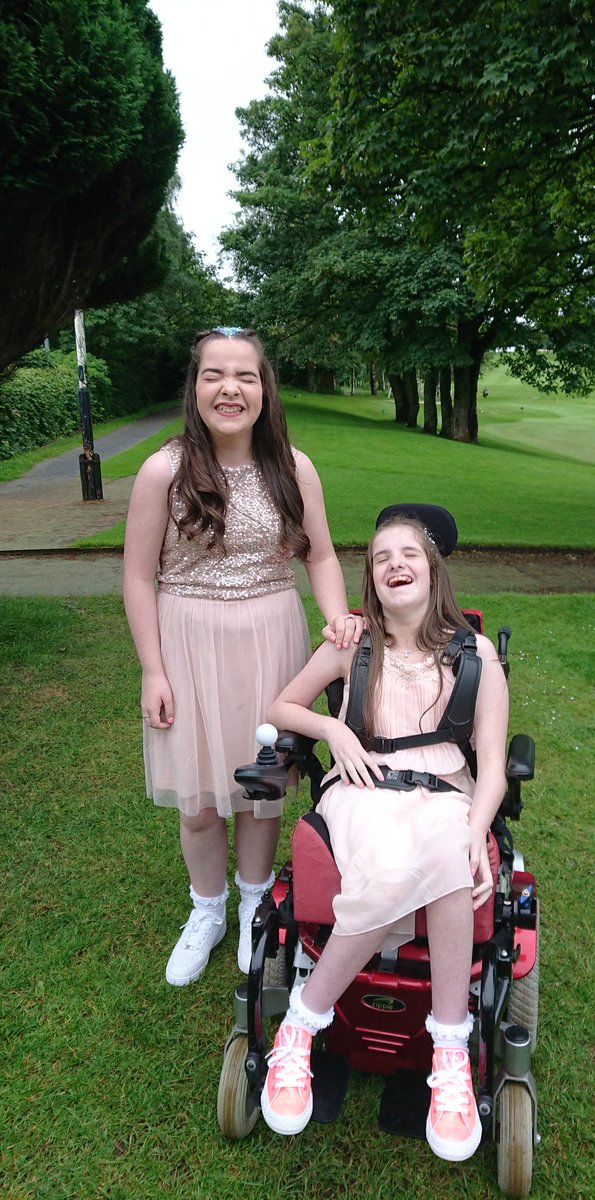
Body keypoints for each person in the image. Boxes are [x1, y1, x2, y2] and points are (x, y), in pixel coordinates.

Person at [262, 508, 509, 1163]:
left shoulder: (476, 654)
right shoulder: (352, 642)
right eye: (380, 558)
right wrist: (333, 730)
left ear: (432, 569)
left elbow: (490, 763)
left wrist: (478, 829)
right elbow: (281, 706)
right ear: (371, 578)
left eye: (409, 554)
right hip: (362, 791)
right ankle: (300, 1029)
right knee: (401, 867)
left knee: (448, 849)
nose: (395, 564)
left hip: (445, 795)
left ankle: (447, 1052)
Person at [123, 327, 361, 985]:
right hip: (187, 644)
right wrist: (153, 670)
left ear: (264, 390)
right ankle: (207, 909)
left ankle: (256, 901)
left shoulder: (293, 467)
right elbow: (138, 577)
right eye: (214, 375)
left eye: (245, 376)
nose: (230, 389)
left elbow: (319, 555)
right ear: (195, 387)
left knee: (261, 792)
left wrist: (337, 618)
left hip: (271, 641)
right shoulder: (163, 471)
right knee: (199, 799)